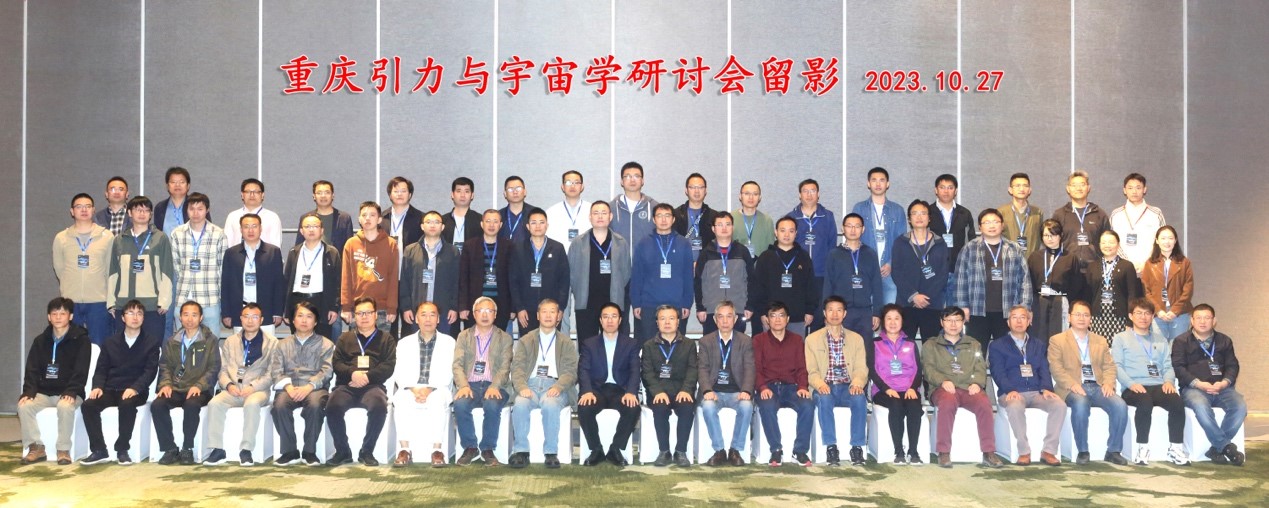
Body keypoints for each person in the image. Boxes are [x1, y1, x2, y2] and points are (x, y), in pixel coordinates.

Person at [80, 299, 163, 465]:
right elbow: (101, 369)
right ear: (123, 318)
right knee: (88, 405)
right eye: (131, 313)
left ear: (143, 318)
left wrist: (135, 388)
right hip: (111, 389)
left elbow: (150, 372)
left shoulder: (151, 342)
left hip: (136, 390)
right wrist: (97, 387)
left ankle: (122, 449)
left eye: (139, 313)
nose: (135, 317)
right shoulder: (110, 342)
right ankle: (99, 450)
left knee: (127, 404)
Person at [1047, 301, 1129, 465]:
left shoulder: (1100, 340)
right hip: (1071, 388)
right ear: (1069, 317)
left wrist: (1108, 383)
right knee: (1081, 403)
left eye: (1085, 315)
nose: (1081, 318)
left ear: (1091, 319)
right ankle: (1083, 451)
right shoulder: (1057, 340)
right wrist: (1072, 384)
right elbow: (1056, 368)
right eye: (1077, 314)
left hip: (1098, 386)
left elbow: (1109, 366)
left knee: (1120, 405)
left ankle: (1113, 451)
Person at [922, 307, 1002, 468]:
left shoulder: (973, 344)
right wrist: (943, 381)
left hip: (968, 388)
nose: (953, 324)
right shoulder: (931, 345)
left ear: (963, 322)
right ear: (941, 322)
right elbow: (928, 369)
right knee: (947, 401)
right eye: (949, 320)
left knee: (984, 403)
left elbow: (980, 368)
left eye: (957, 320)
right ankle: (944, 452)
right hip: (942, 389)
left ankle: (988, 452)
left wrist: (977, 383)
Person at [1113, 298, 1188, 466]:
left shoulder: (1160, 339)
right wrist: (1131, 384)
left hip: (1158, 385)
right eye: (1139, 313)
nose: (1143, 317)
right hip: (1133, 387)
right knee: (1145, 401)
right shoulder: (1120, 338)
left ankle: (1175, 449)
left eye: (1147, 313)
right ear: (1131, 316)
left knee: (1177, 402)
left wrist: (1169, 381)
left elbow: (1167, 365)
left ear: (1153, 316)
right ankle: (1142, 448)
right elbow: (1116, 366)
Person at [203, 303, 281, 466]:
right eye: (246, 316)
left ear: (261, 320)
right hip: (233, 389)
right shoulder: (230, 341)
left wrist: (253, 387)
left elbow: (271, 373)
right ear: (241, 319)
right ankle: (217, 449)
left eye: (255, 317)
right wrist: (228, 385)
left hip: (257, 391)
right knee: (214, 403)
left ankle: (246, 450)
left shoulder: (272, 343)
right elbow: (222, 370)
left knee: (252, 404)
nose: (250, 321)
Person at [988, 306, 1066, 466]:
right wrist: (1010, 390)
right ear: (1008, 322)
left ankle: (1048, 451)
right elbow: (997, 372)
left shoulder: (1038, 344)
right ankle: (1024, 452)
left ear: (1029, 321)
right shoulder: (997, 345)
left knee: (1059, 405)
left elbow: (1044, 369)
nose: (1019, 321)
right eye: (1014, 317)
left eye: (1023, 317)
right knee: (1015, 406)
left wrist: (1046, 389)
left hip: (1037, 392)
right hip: (1012, 392)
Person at [18, 297, 92, 465]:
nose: (58, 317)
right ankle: (36, 448)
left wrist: (71, 391)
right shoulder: (40, 341)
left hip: (70, 392)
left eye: (62, 313)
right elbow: (31, 370)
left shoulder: (81, 340)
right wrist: (29, 392)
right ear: (49, 317)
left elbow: (81, 370)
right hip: (44, 392)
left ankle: (63, 450)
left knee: (65, 406)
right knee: (24, 406)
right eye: (54, 313)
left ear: (70, 316)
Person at [326, 297, 397, 467]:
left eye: (368, 313)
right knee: (332, 405)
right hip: (347, 386)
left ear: (375, 315)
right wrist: (353, 374)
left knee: (379, 406)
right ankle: (343, 451)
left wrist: (367, 377)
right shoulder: (344, 338)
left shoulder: (386, 339)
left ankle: (367, 451)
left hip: (373, 386)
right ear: (354, 316)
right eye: (360, 313)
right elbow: (337, 363)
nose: (364, 317)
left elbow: (388, 366)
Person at [1172, 304, 1246, 466]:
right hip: (1194, 389)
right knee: (1201, 407)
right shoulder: (1181, 341)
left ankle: (1217, 448)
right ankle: (1225, 446)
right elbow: (1178, 367)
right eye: (1198, 318)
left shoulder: (1224, 341)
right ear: (1192, 321)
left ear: (1214, 320)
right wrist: (1198, 383)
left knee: (1240, 407)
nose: (1203, 321)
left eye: (1207, 318)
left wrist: (1224, 383)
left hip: (1222, 388)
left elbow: (1233, 366)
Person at [508, 299, 578, 468]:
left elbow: (571, 371)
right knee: (520, 403)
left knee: (551, 404)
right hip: (530, 385)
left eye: (552, 312)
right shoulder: (526, 340)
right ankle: (521, 451)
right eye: (544, 312)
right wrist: (522, 387)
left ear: (558, 316)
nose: (548, 315)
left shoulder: (566, 342)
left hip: (555, 385)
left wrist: (558, 387)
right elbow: (517, 368)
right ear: (538, 315)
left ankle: (551, 452)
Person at [952, 208, 1032, 355]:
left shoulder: (1014, 248)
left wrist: (1025, 307)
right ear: (980, 227)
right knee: (975, 354)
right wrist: (962, 306)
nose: (992, 225)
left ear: (1002, 225)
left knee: (1007, 353)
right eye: (987, 222)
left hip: (1007, 312)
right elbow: (960, 279)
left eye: (995, 222)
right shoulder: (969, 248)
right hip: (977, 311)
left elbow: (1025, 280)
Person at [151, 301, 221, 466]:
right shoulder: (172, 341)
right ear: (180, 317)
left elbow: (214, 367)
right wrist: (166, 384)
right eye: (186, 315)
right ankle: (169, 448)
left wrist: (199, 385)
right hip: (176, 388)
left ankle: (187, 448)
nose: (190, 319)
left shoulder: (210, 340)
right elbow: (165, 366)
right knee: (157, 405)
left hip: (200, 390)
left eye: (194, 315)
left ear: (201, 318)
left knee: (191, 405)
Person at [389, 301, 456, 468]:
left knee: (436, 400)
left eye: (432, 315)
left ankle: (437, 450)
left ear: (438, 319)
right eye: (423, 315)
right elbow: (399, 371)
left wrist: (429, 389)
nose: (428, 319)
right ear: (416, 319)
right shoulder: (404, 343)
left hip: (438, 388)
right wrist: (414, 389)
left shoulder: (449, 342)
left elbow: (449, 372)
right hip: (410, 387)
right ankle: (405, 449)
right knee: (401, 399)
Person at [805, 296, 869, 467]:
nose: (835, 314)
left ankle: (857, 447)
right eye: (830, 310)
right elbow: (811, 370)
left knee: (859, 398)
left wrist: (857, 383)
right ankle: (831, 447)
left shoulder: (856, 339)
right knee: (824, 399)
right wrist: (820, 384)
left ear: (845, 313)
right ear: (824, 313)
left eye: (839, 310)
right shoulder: (812, 339)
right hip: (824, 385)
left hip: (848, 386)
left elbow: (861, 368)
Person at [452, 296, 514, 467]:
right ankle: (470, 447)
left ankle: (488, 449)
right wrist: (463, 385)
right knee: (460, 404)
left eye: (489, 311)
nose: (485, 315)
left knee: (492, 405)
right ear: (474, 314)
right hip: (470, 385)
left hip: (494, 385)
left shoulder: (505, 338)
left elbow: (505, 367)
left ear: (495, 314)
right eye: (481, 311)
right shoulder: (464, 336)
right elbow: (457, 364)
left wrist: (495, 386)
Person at [577, 302, 642, 466]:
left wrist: (631, 392)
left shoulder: (631, 343)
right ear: (600, 320)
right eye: (605, 317)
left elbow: (635, 370)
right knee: (584, 407)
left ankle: (616, 449)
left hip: (620, 391)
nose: (610, 320)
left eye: (614, 316)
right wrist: (586, 391)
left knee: (633, 407)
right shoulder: (589, 343)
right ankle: (596, 449)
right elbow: (583, 369)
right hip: (596, 390)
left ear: (620, 320)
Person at [272, 301, 335, 467]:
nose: (304, 320)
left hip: (314, 388)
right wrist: (288, 387)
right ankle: (290, 451)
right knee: (279, 406)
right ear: (293, 320)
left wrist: (309, 386)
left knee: (315, 405)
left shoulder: (326, 344)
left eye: (309, 316)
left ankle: (309, 452)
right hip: (289, 387)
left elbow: (327, 371)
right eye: (300, 316)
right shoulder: (282, 345)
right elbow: (276, 371)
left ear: (315, 321)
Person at [752, 301, 815, 467]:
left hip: (791, 387)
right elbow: (756, 369)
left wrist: (803, 387)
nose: (777, 319)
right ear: (767, 320)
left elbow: (802, 368)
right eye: (773, 316)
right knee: (767, 405)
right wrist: (762, 387)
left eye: (781, 315)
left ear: (787, 319)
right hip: (769, 387)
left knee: (807, 405)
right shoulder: (758, 340)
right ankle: (776, 449)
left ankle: (799, 451)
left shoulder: (797, 340)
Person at [108, 195, 174, 341]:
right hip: (124, 304)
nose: (142, 213)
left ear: (151, 214)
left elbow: (167, 271)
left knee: (152, 347)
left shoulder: (160, 238)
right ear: (129, 213)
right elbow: (113, 272)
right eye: (138, 210)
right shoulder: (119, 240)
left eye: (146, 210)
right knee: (124, 348)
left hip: (152, 306)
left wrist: (164, 301)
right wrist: (111, 302)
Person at [53, 192, 115, 345]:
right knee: (72, 347)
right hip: (71, 301)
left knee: (99, 345)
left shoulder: (107, 236)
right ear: (72, 211)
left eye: (88, 206)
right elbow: (59, 269)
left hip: (99, 301)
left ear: (93, 210)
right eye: (79, 207)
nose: (84, 210)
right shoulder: (61, 238)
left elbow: (111, 269)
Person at [697, 301, 754, 466]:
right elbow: (702, 369)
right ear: (715, 320)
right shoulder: (706, 341)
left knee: (747, 406)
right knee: (708, 407)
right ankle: (719, 450)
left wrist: (746, 391)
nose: (725, 321)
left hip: (737, 392)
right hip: (714, 392)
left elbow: (750, 368)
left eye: (729, 316)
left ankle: (735, 450)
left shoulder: (745, 341)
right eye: (720, 317)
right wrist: (707, 390)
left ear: (735, 319)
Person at [866, 305, 925, 465]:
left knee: (914, 406)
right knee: (896, 404)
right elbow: (871, 369)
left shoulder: (910, 343)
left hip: (908, 389)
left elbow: (918, 369)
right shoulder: (875, 343)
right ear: (883, 321)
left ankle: (913, 451)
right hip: (883, 390)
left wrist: (913, 388)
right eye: (889, 318)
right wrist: (886, 389)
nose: (893, 322)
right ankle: (899, 451)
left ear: (902, 321)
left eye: (896, 318)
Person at [641, 305, 698, 467]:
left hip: (682, 391)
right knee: (660, 408)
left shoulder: (689, 344)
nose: (667, 322)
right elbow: (647, 373)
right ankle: (664, 451)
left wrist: (686, 390)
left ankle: (681, 451)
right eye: (663, 319)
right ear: (657, 322)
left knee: (687, 408)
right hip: (659, 391)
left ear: (678, 322)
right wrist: (657, 392)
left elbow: (693, 370)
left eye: (671, 318)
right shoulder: (648, 346)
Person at [630, 203, 693, 341]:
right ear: (654, 219)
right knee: (649, 346)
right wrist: (636, 303)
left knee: (676, 347)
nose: (663, 220)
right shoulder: (643, 243)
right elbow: (637, 275)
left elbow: (688, 276)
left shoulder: (684, 243)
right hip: (649, 304)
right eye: (659, 216)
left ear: (673, 219)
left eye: (667, 216)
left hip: (676, 304)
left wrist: (687, 303)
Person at [569, 201, 631, 339]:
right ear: (590, 217)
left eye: (604, 213)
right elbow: (572, 274)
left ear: (610, 216)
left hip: (613, 303)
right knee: (586, 345)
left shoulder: (621, 242)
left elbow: (626, 273)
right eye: (596, 213)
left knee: (613, 343)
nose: (600, 216)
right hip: (586, 303)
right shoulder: (578, 243)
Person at [170, 192, 228, 335]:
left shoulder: (219, 234)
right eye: (192, 208)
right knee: (182, 341)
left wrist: (222, 299)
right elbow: (176, 266)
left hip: (209, 297)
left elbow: (222, 268)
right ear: (187, 210)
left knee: (211, 341)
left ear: (207, 210)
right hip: (183, 297)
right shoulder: (177, 234)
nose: (195, 213)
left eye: (200, 209)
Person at [892, 200, 949, 341]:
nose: (919, 217)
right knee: (905, 345)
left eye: (923, 213)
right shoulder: (901, 242)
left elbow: (943, 274)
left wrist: (927, 297)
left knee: (931, 347)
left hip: (932, 304)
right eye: (914, 213)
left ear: (929, 218)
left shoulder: (940, 243)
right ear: (909, 219)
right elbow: (896, 272)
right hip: (907, 303)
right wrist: (913, 296)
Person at [749, 217, 816, 337]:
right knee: (771, 348)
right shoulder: (765, 257)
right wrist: (762, 312)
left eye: (791, 231)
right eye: (782, 230)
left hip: (797, 316)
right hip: (772, 317)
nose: (786, 235)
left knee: (796, 348)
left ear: (796, 233)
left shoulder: (804, 257)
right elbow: (758, 288)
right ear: (776, 232)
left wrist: (809, 311)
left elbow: (810, 287)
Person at [221, 214, 286, 336]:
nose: (250, 230)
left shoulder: (273, 252)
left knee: (267, 346)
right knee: (240, 346)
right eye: (246, 227)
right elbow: (225, 285)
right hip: (240, 311)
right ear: (241, 230)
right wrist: (226, 313)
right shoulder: (231, 253)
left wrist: (278, 312)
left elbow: (279, 284)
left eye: (254, 226)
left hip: (266, 311)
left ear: (260, 228)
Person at [341, 202, 400, 334]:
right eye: (364, 215)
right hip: (358, 308)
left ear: (379, 219)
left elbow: (393, 278)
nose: (367, 218)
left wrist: (392, 308)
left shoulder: (390, 244)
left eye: (372, 215)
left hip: (382, 310)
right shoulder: (351, 244)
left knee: (381, 345)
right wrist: (346, 307)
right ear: (359, 219)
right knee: (357, 345)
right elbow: (346, 278)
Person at [400, 210, 461, 336]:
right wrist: (406, 307)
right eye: (428, 222)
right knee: (418, 344)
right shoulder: (410, 250)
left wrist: (454, 307)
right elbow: (405, 282)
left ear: (442, 227)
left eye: (436, 222)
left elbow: (456, 282)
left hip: (443, 310)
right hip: (418, 310)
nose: (432, 225)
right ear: (422, 226)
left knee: (442, 344)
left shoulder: (452, 251)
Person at [852, 167, 907, 305]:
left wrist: (890, 264)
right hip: (866, 269)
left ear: (887, 184)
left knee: (890, 313)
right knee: (868, 312)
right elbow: (854, 239)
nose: (878, 184)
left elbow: (902, 243)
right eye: (874, 180)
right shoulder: (859, 208)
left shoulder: (898, 210)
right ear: (868, 183)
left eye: (882, 180)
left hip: (889, 272)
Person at [823, 213, 883, 339]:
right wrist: (827, 312)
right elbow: (828, 285)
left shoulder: (870, 254)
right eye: (849, 226)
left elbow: (877, 285)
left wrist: (877, 312)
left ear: (863, 229)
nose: (853, 230)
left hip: (865, 312)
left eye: (857, 226)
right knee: (842, 346)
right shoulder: (834, 254)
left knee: (865, 347)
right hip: (841, 312)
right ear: (842, 229)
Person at [510, 208, 570, 333]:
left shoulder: (557, 248)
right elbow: (513, 281)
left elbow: (564, 280)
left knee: (551, 342)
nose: (538, 226)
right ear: (528, 226)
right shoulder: (518, 248)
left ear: (547, 225)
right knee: (528, 343)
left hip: (551, 310)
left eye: (541, 222)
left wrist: (560, 308)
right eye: (533, 223)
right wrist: (519, 308)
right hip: (526, 310)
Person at [788, 178, 837, 332]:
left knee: (818, 317)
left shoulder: (827, 216)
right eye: (805, 191)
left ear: (818, 194)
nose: (809, 195)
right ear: (799, 195)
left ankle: (816, 346)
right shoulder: (791, 217)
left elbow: (832, 246)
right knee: (798, 316)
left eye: (812, 191)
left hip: (820, 275)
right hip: (798, 274)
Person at [284, 213, 342, 340]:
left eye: (315, 226)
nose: (311, 229)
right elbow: (287, 282)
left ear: (321, 230)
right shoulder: (294, 252)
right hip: (297, 301)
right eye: (307, 226)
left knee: (322, 342)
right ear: (301, 231)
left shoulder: (332, 252)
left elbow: (337, 283)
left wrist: (334, 307)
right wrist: (287, 310)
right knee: (298, 341)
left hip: (321, 302)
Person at [694, 214, 754, 335]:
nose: (724, 228)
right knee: (711, 344)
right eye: (720, 225)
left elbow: (752, 280)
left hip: (737, 309)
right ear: (713, 229)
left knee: (737, 344)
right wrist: (700, 308)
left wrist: (749, 306)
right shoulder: (706, 253)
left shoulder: (742, 251)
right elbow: (698, 281)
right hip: (711, 310)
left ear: (732, 227)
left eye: (728, 224)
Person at [1027, 219, 1084, 342]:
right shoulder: (1034, 257)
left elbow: (1076, 285)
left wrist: (1069, 305)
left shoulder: (1070, 258)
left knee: (1059, 339)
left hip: (1060, 301)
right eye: (1046, 235)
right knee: (1038, 337)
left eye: (1053, 235)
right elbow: (1029, 283)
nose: (1050, 238)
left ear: (1060, 235)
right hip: (1039, 302)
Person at [458, 209, 514, 330]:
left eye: (495, 221)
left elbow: (513, 279)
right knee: (474, 339)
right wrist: (463, 306)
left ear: (500, 225)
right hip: (475, 304)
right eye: (488, 221)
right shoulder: (470, 245)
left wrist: (513, 307)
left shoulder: (509, 246)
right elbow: (463, 278)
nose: (491, 225)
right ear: (482, 224)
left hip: (501, 305)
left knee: (498, 339)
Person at [1087, 231, 1142, 344]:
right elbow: (1088, 294)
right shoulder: (1092, 266)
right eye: (1104, 242)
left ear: (1118, 245)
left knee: (1120, 348)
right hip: (1097, 318)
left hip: (1120, 318)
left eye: (1111, 242)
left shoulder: (1127, 266)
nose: (1107, 245)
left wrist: (1130, 321)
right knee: (1099, 349)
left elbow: (1132, 295)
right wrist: (1088, 317)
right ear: (1099, 245)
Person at [1141, 226, 1193, 340]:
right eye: (1163, 238)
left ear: (1175, 240)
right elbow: (1146, 290)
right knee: (1159, 348)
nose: (1167, 242)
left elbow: (1188, 290)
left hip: (1180, 314)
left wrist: (1175, 311)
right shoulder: (1150, 264)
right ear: (1157, 241)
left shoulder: (1184, 263)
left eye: (1170, 238)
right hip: (1158, 314)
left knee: (1178, 347)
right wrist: (1158, 310)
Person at [1051, 170, 1111, 269]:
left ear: (1088, 188)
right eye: (1074, 185)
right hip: (1067, 268)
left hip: (1094, 268)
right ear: (1068, 189)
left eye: (1082, 184)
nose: (1078, 188)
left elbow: (1108, 243)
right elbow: (1052, 242)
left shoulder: (1100, 214)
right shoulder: (1059, 215)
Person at [1110, 173, 1166, 273]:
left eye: (1138, 188)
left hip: (1150, 268)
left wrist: (1148, 263)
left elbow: (1163, 240)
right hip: (1122, 269)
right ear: (1124, 190)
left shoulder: (1156, 213)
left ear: (1144, 189)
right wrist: (1127, 264)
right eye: (1130, 188)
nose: (1134, 191)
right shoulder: (1116, 214)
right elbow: (1111, 241)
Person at [610, 161, 659, 259]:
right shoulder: (610, 208)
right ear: (621, 181)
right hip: (619, 264)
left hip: (646, 263)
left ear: (642, 181)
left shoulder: (654, 207)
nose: (632, 180)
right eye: (628, 176)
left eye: (636, 176)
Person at [929, 174, 976, 270]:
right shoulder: (927, 212)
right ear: (936, 190)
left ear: (956, 191)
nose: (946, 191)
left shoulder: (965, 213)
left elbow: (971, 240)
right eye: (942, 187)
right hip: (934, 266)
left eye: (950, 188)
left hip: (959, 266)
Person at [292, 180, 354, 252]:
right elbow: (299, 246)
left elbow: (349, 247)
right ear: (314, 196)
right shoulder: (306, 218)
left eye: (327, 192)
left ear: (333, 196)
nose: (323, 196)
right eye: (319, 193)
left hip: (337, 259)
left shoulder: (344, 218)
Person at [223, 178, 282, 248]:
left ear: (262, 195)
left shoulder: (272, 217)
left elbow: (276, 247)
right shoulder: (232, 216)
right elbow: (227, 245)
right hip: (236, 255)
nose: (252, 195)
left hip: (265, 255)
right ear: (242, 195)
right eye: (248, 192)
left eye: (256, 192)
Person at [673, 173, 719, 261]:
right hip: (681, 263)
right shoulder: (676, 215)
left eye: (700, 187)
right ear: (686, 190)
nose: (697, 191)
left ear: (705, 190)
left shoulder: (714, 216)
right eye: (693, 187)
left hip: (706, 264)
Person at [999, 172, 1044, 260]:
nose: (1021, 189)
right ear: (1010, 190)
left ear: (1029, 190)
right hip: (1008, 261)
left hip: (1032, 261)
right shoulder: (1001, 212)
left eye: (1025, 186)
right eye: (1017, 186)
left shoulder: (1038, 212)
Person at [545, 170, 592, 250]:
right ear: (562, 187)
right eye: (568, 182)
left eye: (576, 182)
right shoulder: (551, 212)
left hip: (586, 255)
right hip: (559, 255)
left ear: (582, 186)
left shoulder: (592, 210)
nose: (572, 186)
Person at [732, 181, 775, 261]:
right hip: (737, 266)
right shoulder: (731, 219)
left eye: (755, 194)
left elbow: (771, 249)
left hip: (761, 266)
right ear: (740, 196)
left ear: (759, 197)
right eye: (747, 193)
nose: (751, 197)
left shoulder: (767, 220)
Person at [381, 176, 424, 250]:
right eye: (396, 191)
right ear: (390, 195)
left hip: (410, 257)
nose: (399, 194)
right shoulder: (381, 218)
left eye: (403, 191)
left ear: (409, 195)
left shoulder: (421, 218)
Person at [442, 177, 483, 254]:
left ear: (472, 195)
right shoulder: (442, 221)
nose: (462, 195)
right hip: (448, 260)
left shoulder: (480, 220)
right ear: (452, 195)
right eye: (459, 191)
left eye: (466, 191)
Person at [499, 175, 538, 249]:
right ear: (505, 194)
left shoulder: (535, 214)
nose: (515, 192)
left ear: (525, 192)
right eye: (510, 189)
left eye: (518, 188)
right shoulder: (499, 216)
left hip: (529, 255)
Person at [153, 166, 190, 237]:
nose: (177, 185)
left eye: (182, 182)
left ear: (188, 186)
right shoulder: (160, 208)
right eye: (173, 182)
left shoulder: (197, 206)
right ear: (167, 186)